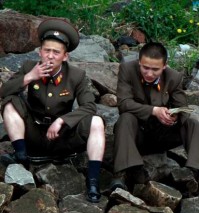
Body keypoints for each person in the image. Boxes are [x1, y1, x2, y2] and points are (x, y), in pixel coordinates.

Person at [0, 18, 105, 203]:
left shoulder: (76, 76)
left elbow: (89, 106)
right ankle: (22, 157)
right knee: (10, 102)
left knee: (96, 122)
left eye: (56, 52)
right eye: (46, 50)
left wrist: (63, 121)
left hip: (61, 136)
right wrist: (29, 77)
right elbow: (4, 92)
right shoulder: (28, 67)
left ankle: (93, 181)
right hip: (34, 134)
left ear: (65, 56)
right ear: (40, 51)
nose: (50, 56)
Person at [111, 42, 199, 190]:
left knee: (193, 123)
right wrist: (154, 110)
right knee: (126, 118)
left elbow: (182, 108)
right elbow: (124, 103)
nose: (149, 73)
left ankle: (194, 172)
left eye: (155, 69)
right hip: (137, 134)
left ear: (164, 66)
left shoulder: (174, 77)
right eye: (145, 67)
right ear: (139, 62)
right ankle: (121, 174)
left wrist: (174, 116)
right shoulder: (127, 69)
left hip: (164, 133)